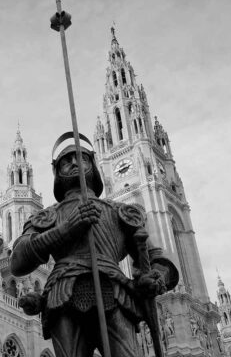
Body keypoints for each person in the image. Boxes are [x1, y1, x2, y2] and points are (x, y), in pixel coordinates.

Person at [10, 132, 178, 357]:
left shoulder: (119, 212)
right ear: (57, 172)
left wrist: (157, 278)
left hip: (114, 292)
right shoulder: (48, 216)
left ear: (93, 166)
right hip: (63, 296)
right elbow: (18, 261)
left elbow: (159, 259)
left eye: (81, 158)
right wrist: (66, 229)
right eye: (66, 161)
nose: (74, 163)